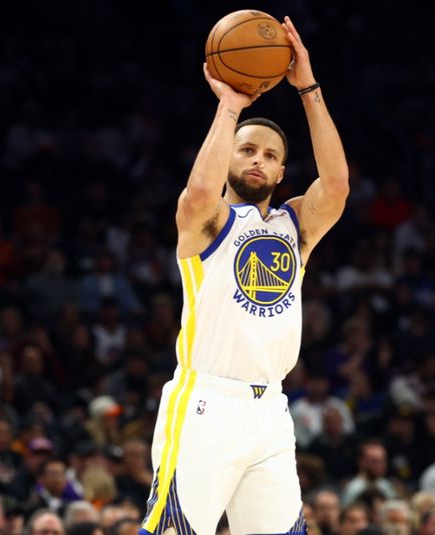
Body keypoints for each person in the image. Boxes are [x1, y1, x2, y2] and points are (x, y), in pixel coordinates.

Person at [139, 15, 349, 535]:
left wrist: (308, 88)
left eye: (270, 156)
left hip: (271, 409)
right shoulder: (208, 221)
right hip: (205, 402)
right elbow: (199, 192)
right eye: (247, 150)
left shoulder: (294, 225)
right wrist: (230, 107)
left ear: (281, 173)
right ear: (229, 156)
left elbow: (337, 185)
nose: (258, 160)